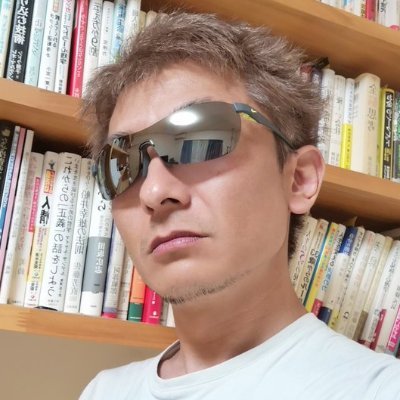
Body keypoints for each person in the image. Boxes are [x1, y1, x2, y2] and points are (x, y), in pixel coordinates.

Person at [80, 11, 400, 400]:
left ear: (299, 179)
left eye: (200, 139)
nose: (154, 191)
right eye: (121, 165)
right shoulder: (103, 391)